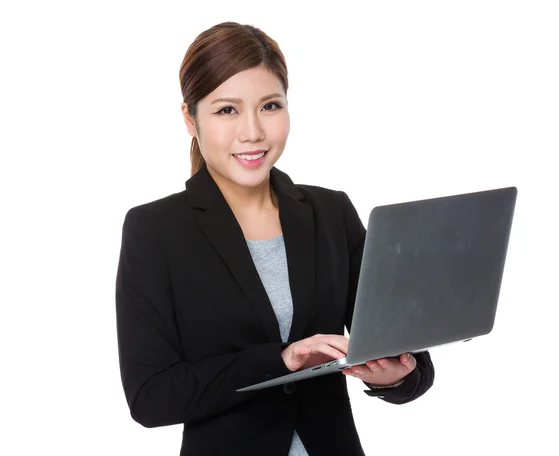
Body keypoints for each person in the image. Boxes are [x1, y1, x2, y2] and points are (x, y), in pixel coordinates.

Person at [115, 21, 434, 456]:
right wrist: (281, 361)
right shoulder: (155, 231)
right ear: (190, 118)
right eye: (227, 110)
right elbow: (150, 397)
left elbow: (415, 367)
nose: (252, 132)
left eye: (269, 105)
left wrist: (393, 376)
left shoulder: (331, 212)